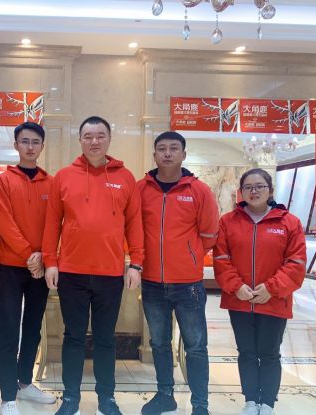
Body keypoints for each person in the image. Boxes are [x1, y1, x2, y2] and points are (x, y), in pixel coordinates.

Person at [42, 116, 144, 415]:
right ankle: (70, 398)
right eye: (88, 136)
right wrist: (50, 261)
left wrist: (136, 263)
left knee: (105, 339)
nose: (94, 141)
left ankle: (106, 399)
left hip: (110, 273)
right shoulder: (64, 176)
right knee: (73, 337)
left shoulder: (125, 177)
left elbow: (134, 223)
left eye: (100, 135)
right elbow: (52, 223)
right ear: (80, 140)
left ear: (109, 139)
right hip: (71, 272)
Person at [137, 131, 219, 415]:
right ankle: (165, 396)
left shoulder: (199, 190)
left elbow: (210, 234)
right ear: (155, 155)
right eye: (162, 149)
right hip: (151, 282)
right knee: (159, 343)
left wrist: (189, 256)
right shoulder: (141, 189)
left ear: (184, 154)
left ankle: (200, 405)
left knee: (195, 346)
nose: (168, 153)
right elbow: (133, 228)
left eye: (174, 148)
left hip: (188, 285)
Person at [213, 168, 306, 415]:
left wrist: (271, 288)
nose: (253, 191)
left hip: (274, 301)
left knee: (269, 353)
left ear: (270, 190)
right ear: (241, 192)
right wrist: (236, 286)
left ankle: (267, 404)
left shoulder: (289, 222)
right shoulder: (228, 221)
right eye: (248, 187)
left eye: (259, 186)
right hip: (239, 300)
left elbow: (296, 263)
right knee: (246, 352)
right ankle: (251, 401)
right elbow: (221, 258)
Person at [0, 122, 56, 415]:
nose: (30, 147)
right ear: (16, 145)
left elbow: (55, 224)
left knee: (33, 328)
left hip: (41, 268)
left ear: (42, 146)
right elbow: (5, 222)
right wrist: (29, 255)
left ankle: (25, 382)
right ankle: (8, 395)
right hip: (11, 266)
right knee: (8, 329)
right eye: (24, 141)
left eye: (35, 142)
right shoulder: (4, 180)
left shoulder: (51, 183)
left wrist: (43, 256)